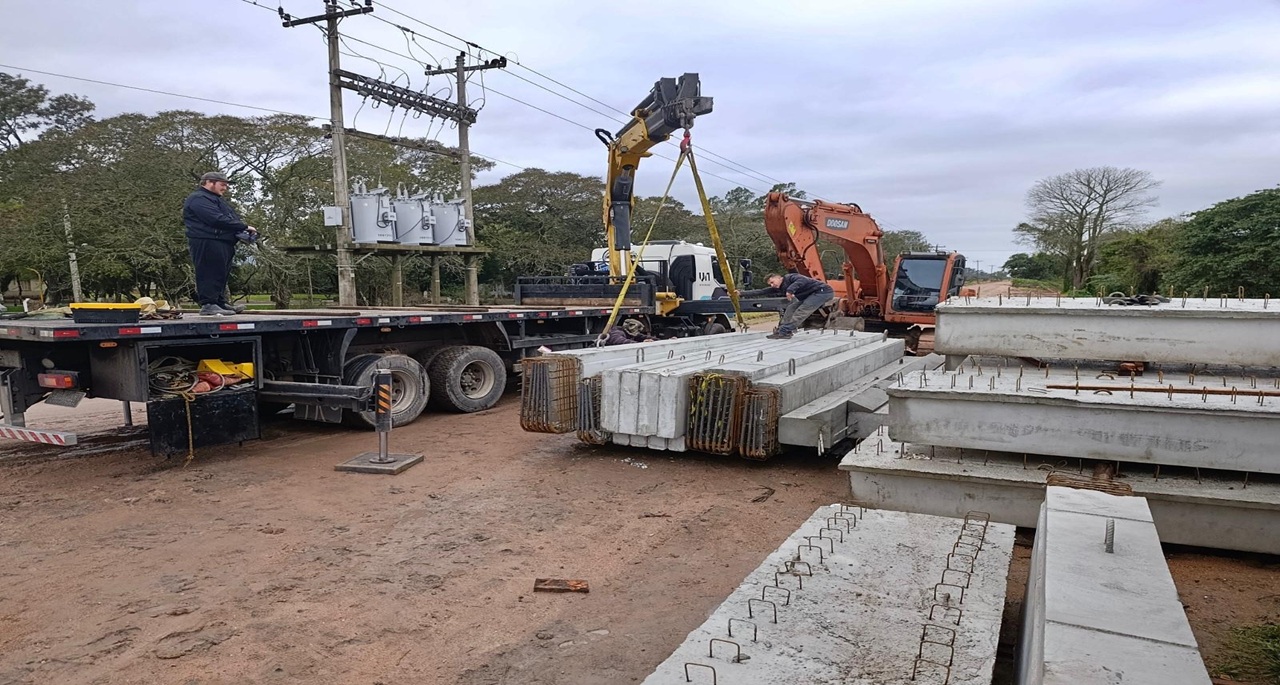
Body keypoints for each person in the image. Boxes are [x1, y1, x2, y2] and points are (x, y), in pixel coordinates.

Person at [183, 172, 257, 316]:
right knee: (209, 271)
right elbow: (215, 219)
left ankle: (219, 302)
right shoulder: (198, 198)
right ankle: (208, 304)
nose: (225, 188)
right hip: (207, 240)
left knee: (220, 272)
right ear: (209, 182)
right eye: (222, 184)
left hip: (222, 241)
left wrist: (240, 232)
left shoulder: (215, 199)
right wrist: (243, 226)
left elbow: (229, 218)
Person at [738, 272, 834, 339]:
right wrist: (741, 293)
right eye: (770, 284)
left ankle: (784, 331)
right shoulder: (778, 288)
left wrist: (790, 290)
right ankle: (783, 330)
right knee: (791, 308)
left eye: (772, 282)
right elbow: (761, 291)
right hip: (811, 295)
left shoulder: (790, 277)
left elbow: (802, 280)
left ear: (779, 278)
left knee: (802, 311)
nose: (772, 285)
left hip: (822, 292)